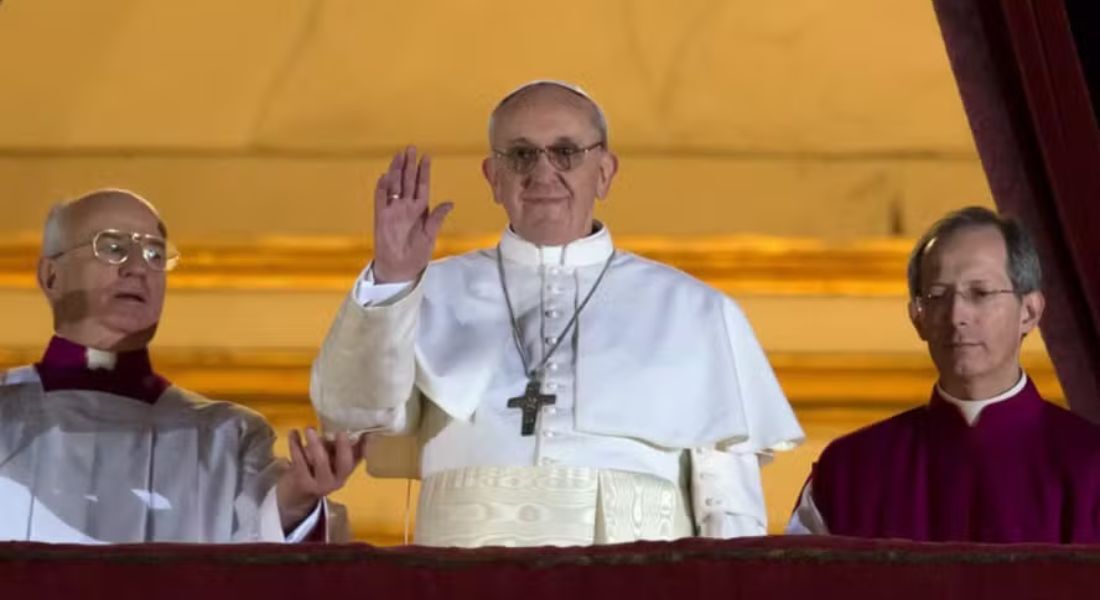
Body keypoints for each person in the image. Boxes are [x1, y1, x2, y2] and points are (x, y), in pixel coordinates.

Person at [311, 80, 804, 547]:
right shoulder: (425, 290)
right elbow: (356, 415)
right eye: (521, 154)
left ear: (605, 171)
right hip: (464, 575)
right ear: (493, 177)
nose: (542, 173)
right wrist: (393, 279)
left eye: (566, 152)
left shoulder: (694, 309)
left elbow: (728, 503)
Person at [0, 189, 362, 543]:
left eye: (155, 254)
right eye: (112, 248)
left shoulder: (225, 437)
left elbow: (263, 544)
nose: (139, 267)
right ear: (51, 276)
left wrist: (296, 501)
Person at [787, 206, 1100, 542]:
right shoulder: (849, 470)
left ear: (1030, 311)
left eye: (979, 293)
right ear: (917, 317)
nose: (956, 315)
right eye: (937, 296)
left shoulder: (1091, 466)